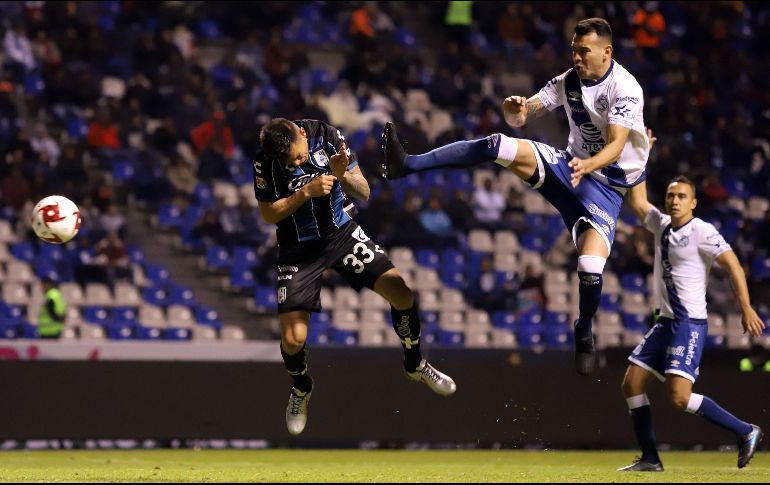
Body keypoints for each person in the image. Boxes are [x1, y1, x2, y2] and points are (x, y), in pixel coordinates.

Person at [382, 18, 650, 375]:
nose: (577, 57)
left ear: (607, 52)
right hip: (569, 167)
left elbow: (616, 146)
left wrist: (588, 166)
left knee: (589, 266)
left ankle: (584, 329)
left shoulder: (625, 88)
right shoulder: (568, 80)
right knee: (497, 145)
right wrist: (517, 110)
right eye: (573, 49)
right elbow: (525, 115)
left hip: (605, 186)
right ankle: (407, 165)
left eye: (584, 50)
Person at [254, 118, 456, 436]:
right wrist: (305, 191)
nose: (297, 163)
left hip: (342, 234)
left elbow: (364, 191)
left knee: (401, 293)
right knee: (293, 340)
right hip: (298, 249)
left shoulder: (328, 136)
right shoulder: (266, 160)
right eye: (290, 162)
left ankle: (415, 364)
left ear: (303, 134)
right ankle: (302, 388)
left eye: (297, 155)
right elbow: (268, 213)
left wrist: (340, 175)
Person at [618, 175, 765, 471]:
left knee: (679, 397)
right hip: (666, 323)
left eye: (682, 196)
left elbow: (734, 266)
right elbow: (636, 200)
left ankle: (745, 431)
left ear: (693, 203)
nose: (674, 200)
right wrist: (640, 156)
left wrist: (746, 307)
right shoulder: (660, 224)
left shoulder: (702, 231)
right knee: (631, 384)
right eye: (671, 195)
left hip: (689, 323)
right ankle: (650, 458)